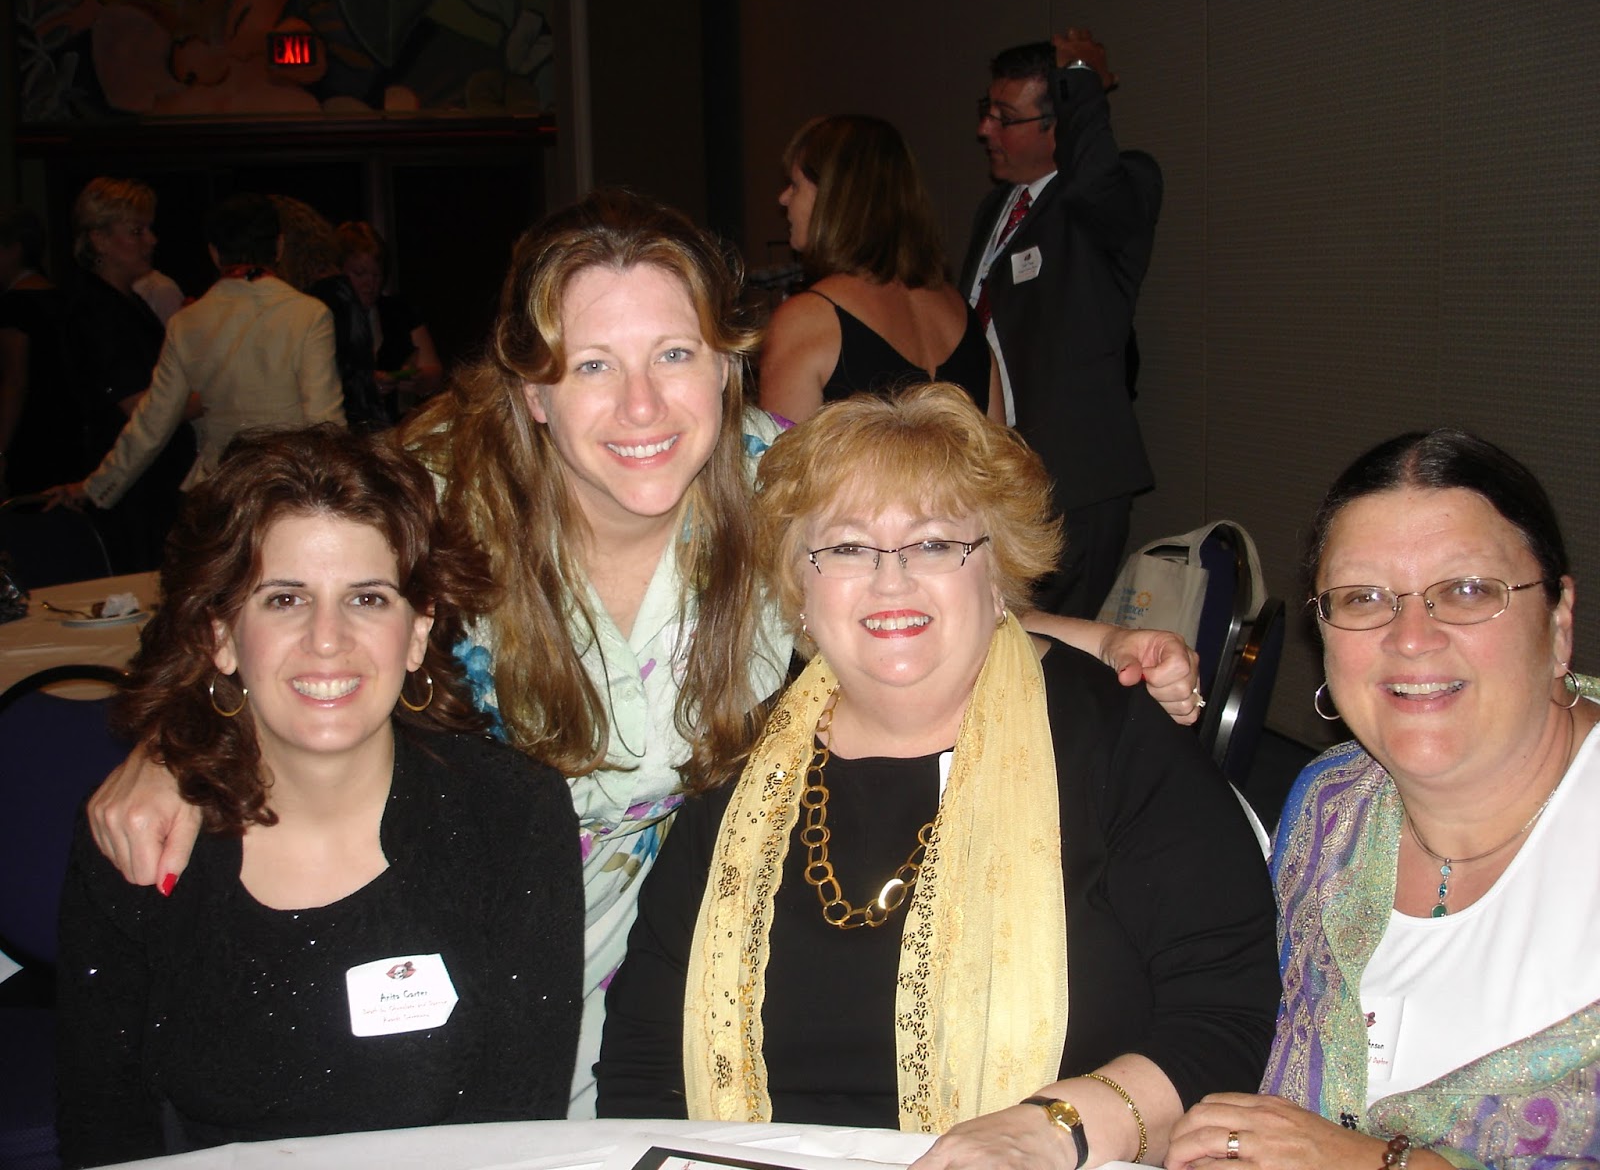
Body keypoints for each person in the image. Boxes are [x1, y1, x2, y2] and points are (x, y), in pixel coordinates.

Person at [80, 190, 1204, 1118]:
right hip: (444, 935)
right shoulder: (434, 496)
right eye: (590, 367)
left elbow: (913, 588)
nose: (641, 406)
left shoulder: (774, 477)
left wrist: (1101, 639)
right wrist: (181, 745)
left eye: (675, 353)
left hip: (690, 934)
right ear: (532, 390)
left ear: (725, 365)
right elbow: (274, 615)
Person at [596, 384, 1280, 1170]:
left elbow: (1224, 1016)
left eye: (933, 544)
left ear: (997, 576)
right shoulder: (742, 771)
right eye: (847, 548)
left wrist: (1055, 1129)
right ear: (800, 589)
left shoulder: (1116, 745)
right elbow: (644, 1054)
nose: (890, 581)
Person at [55, 425, 583, 1167]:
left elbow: (516, 1132)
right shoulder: (139, 836)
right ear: (222, 635)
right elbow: (105, 1135)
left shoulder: (510, 817)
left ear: (418, 631)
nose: (327, 639)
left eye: (367, 598)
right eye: (284, 599)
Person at [1167, 429, 1600, 1170]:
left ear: (1559, 624)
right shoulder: (1331, 806)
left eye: (1467, 590)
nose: (1411, 638)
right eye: (1363, 598)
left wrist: (1371, 1163)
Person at [959, 32, 1162, 619]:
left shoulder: (1113, 193)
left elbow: (1095, 181)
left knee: (1054, 642)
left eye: (1005, 118)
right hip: (996, 470)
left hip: (1071, 481)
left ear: (1059, 124)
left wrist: (1082, 82)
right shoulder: (995, 208)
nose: (985, 130)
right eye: (987, 111)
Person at [50, 193, 345, 512]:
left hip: (216, 493)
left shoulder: (187, 322)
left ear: (215, 253)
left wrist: (95, 487)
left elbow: (152, 422)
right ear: (279, 246)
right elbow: (325, 421)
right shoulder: (308, 314)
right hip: (287, 492)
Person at [760, 115, 1000, 423]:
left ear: (833, 197)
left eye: (794, 185)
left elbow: (782, 452)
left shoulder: (805, 320)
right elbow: (999, 448)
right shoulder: (962, 313)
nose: (783, 199)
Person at [63, 177, 196, 569]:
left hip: (143, 482)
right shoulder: (97, 310)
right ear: (100, 240)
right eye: (137, 231)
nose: (151, 240)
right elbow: (139, 407)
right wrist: (207, 398)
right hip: (130, 491)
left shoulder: (126, 302)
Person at [272, 196, 387, 432]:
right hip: (359, 428)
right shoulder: (335, 295)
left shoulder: (325, 299)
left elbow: (335, 387)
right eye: (360, 273)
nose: (369, 283)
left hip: (347, 430)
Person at [0, 204, 82, 497]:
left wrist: (0, 450)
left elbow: (14, 382)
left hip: (31, 437)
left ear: (13, 250)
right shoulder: (60, 298)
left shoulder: (14, 306)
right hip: (67, 434)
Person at [336, 220, 444, 410]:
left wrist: (417, 379)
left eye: (376, 275)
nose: (370, 284)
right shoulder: (327, 317)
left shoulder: (399, 311)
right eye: (360, 274)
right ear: (338, 271)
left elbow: (434, 372)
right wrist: (363, 384)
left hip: (395, 420)